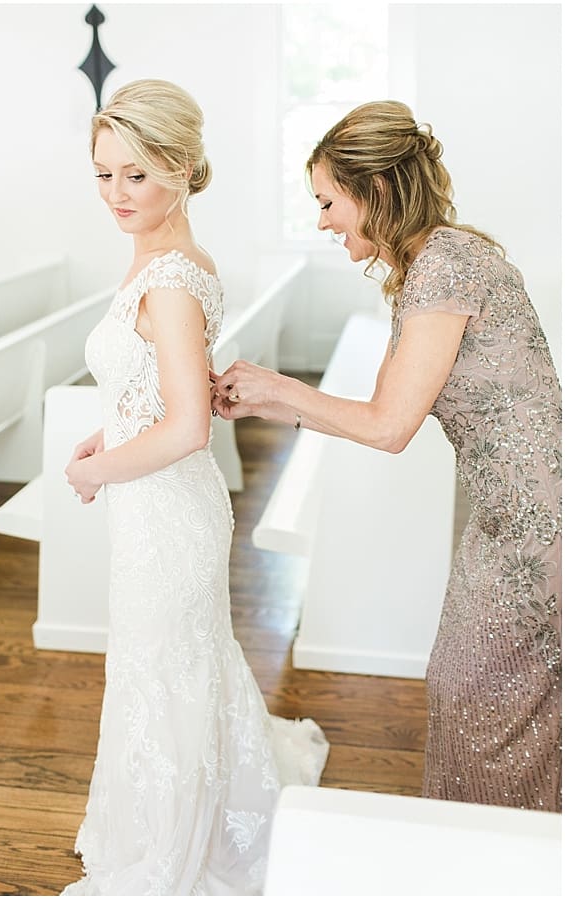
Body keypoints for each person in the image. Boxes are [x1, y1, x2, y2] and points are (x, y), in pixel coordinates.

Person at [213, 100, 561, 812]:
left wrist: (280, 387)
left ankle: (494, 850)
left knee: (479, 694)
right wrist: (264, 400)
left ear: (371, 192)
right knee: (489, 694)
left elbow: (388, 426)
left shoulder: (449, 265)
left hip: (538, 522)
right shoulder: (426, 267)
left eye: (327, 201)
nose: (321, 221)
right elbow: (377, 405)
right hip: (502, 515)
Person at [62, 79, 329, 896]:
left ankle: (178, 850)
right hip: (158, 508)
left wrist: (93, 470)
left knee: (166, 669)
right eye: (104, 174)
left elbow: (187, 428)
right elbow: (159, 391)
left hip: (168, 515)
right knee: (169, 666)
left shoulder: (171, 278)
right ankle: (172, 809)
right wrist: (115, 427)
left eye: (135, 174)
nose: (116, 194)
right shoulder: (166, 257)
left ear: (180, 166)